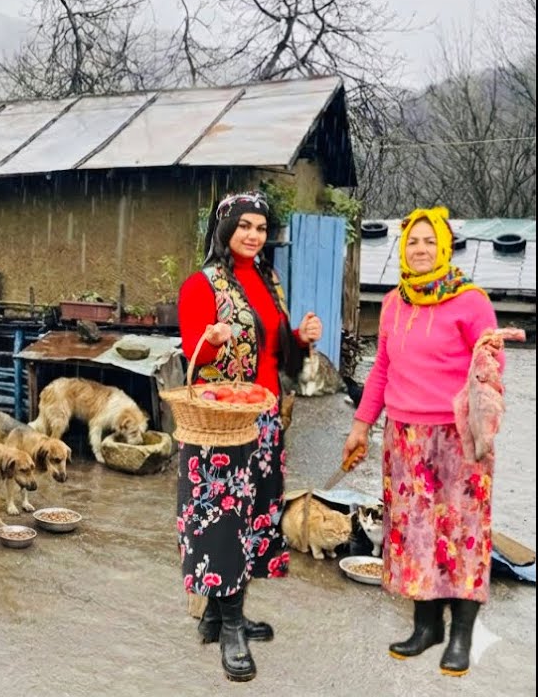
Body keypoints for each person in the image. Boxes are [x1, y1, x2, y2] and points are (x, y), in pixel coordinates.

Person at [340, 206, 502, 677]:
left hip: (459, 437)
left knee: (462, 534)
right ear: (404, 249)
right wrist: (360, 425)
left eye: (430, 241)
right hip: (405, 437)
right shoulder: (394, 302)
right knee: (414, 534)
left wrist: (478, 416)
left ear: (445, 248)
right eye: (413, 241)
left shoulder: (472, 302)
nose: (422, 249)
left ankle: (461, 635)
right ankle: (425, 625)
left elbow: (492, 369)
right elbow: (383, 370)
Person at [176, 191, 321, 682]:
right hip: (221, 427)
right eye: (245, 226)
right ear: (224, 230)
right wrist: (210, 342)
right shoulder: (202, 284)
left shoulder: (268, 281)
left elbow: (275, 352)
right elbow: (194, 360)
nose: (254, 235)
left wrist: (300, 338)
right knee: (223, 519)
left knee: (254, 514)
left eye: (260, 227)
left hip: (264, 417)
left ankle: (216, 617)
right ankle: (232, 627)